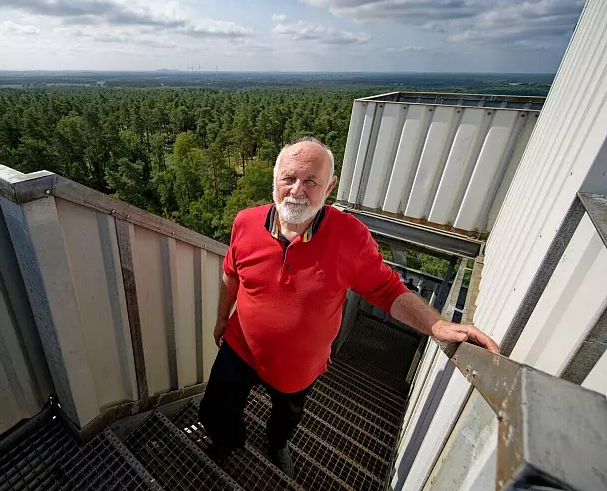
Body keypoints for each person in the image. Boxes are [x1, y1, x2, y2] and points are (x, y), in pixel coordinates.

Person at [198, 138, 499, 478]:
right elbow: (231, 273)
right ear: (275, 178)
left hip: (298, 366)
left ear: (329, 187)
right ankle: (228, 441)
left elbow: (387, 289)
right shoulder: (246, 222)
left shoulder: (350, 238)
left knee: (285, 418)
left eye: (311, 181)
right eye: (289, 178)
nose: (297, 190)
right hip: (241, 346)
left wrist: (437, 326)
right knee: (215, 408)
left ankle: (277, 444)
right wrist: (222, 318)